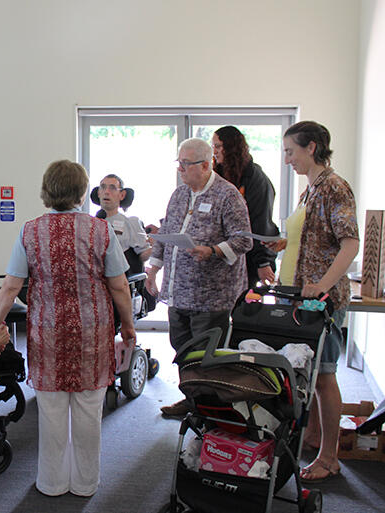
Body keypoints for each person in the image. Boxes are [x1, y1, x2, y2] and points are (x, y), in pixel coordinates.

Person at [0, 160, 135, 497]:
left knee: (52, 411)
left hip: (47, 334)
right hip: (92, 335)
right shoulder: (101, 231)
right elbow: (119, 287)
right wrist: (127, 326)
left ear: (47, 191)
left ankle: (52, 483)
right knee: (88, 410)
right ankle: (85, 484)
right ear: (83, 193)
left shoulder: (29, 231)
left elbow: (10, 287)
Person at [265, 121, 358, 483]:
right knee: (313, 371)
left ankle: (329, 457)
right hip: (303, 295)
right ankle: (316, 437)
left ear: (312, 148)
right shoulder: (311, 189)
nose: (287, 159)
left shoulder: (335, 188)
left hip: (324, 299)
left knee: (324, 376)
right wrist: (286, 245)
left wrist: (322, 284)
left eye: (291, 151)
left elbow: (350, 243)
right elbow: (318, 238)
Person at [145, 138, 252, 417]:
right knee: (182, 351)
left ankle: (208, 410)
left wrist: (214, 250)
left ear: (206, 165)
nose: (180, 169)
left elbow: (244, 240)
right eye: (178, 163)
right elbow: (165, 234)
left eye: (185, 164)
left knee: (205, 356)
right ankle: (190, 399)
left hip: (211, 296)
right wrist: (153, 271)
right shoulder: (179, 194)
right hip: (178, 293)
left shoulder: (227, 196)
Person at [212, 126, 280, 287]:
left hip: (249, 258)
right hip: (222, 257)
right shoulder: (218, 176)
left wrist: (263, 262)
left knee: (243, 307)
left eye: (218, 146)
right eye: (213, 146)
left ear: (231, 147)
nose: (214, 151)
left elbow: (260, 222)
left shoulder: (256, 178)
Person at [97, 173, 152, 269]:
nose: (106, 192)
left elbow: (143, 254)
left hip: (122, 277)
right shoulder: (89, 223)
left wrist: (159, 245)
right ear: (98, 193)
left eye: (112, 188)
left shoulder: (131, 222)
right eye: (103, 187)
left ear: (122, 195)